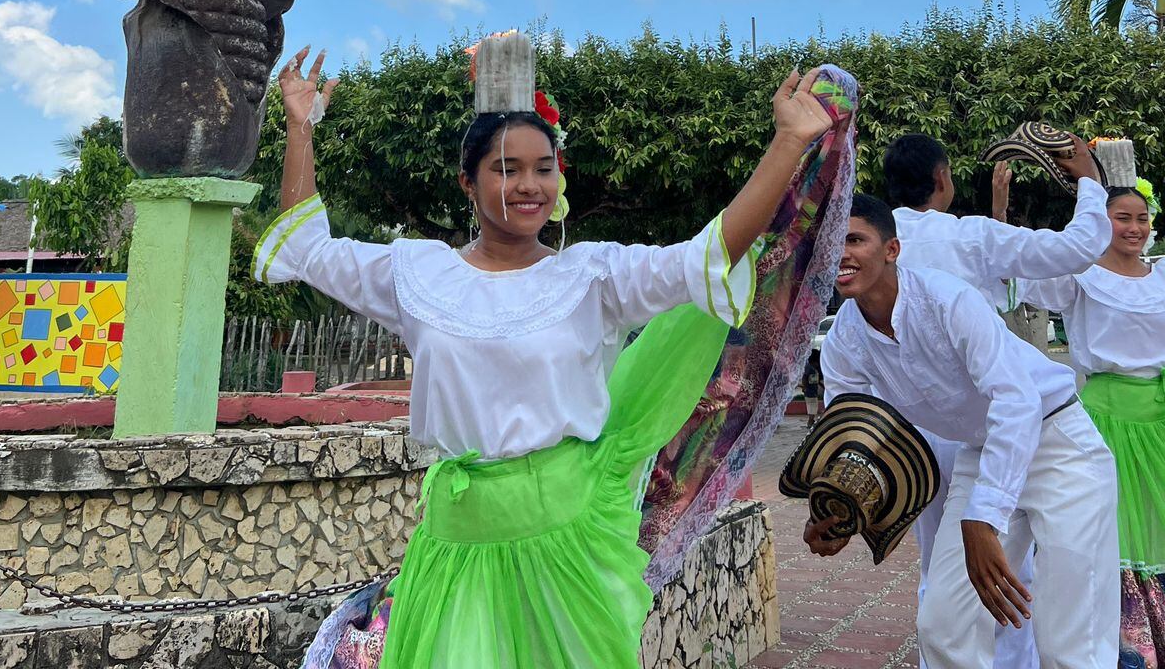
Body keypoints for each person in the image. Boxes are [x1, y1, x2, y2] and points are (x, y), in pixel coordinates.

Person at [254, 46, 839, 669]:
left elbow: (708, 252)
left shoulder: (591, 275)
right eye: (507, 169)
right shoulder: (416, 273)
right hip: (455, 549)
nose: (529, 185)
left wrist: (785, 143)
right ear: (468, 182)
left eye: (543, 168)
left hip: (566, 545)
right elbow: (307, 248)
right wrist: (299, 126)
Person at [810, 193, 1119, 669]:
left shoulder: (947, 299)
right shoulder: (843, 343)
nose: (841, 254)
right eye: (832, 243)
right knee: (945, 628)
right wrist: (836, 509)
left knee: (1069, 643)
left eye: (855, 239)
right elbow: (852, 436)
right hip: (982, 453)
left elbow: (1015, 401)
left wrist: (984, 517)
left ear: (891, 249)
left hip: (1060, 447)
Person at [882, 132, 1111, 669]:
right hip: (995, 423)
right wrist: (1090, 183)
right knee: (1007, 577)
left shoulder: (868, 244)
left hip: (934, 432)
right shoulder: (967, 237)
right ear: (942, 179)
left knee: (946, 586)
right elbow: (1078, 247)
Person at [1020, 184, 1165, 669]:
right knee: (1107, 527)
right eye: (1122, 217)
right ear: (1101, 224)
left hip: (1159, 416)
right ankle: (1125, 648)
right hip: (1102, 416)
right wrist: (1000, 212)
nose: (1134, 228)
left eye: (1141, 218)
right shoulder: (1080, 277)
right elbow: (1019, 274)